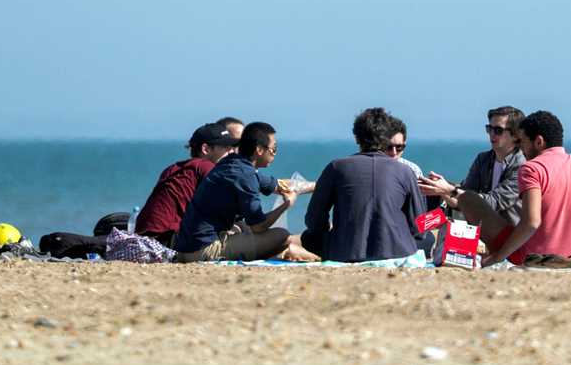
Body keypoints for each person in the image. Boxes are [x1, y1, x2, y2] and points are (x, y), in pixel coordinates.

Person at [481, 110, 571, 270]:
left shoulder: (531, 168)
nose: (520, 148)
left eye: (522, 142)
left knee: (471, 202)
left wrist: (498, 256)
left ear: (539, 142)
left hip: (539, 262)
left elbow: (531, 222)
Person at [301, 107, 430, 263]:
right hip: (396, 252)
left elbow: (313, 219)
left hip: (345, 253)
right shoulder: (406, 171)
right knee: (427, 238)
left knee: (308, 237)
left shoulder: (336, 167)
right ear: (386, 138)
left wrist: (334, 235)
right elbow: (419, 226)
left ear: (356, 138)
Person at [174, 122, 315, 262]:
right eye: (274, 149)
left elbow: (281, 185)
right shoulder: (245, 175)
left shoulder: (234, 164)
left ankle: (312, 247)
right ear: (259, 149)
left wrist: (319, 185)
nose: (274, 154)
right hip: (202, 250)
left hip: (186, 247)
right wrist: (287, 205)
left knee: (244, 227)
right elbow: (258, 226)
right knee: (282, 236)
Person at [418, 105, 526, 226]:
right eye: (489, 128)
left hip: (512, 238)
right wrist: (441, 190)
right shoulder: (483, 159)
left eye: (498, 130)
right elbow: (464, 200)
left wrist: (449, 189)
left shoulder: (523, 166)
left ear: (516, 135)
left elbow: (494, 202)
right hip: (487, 235)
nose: (491, 134)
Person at [135, 122, 240, 246]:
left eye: (232, 148)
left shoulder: (173, 168)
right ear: (205, 149)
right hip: (168, 239)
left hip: (144, 238)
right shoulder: (206, 167)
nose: (231, 152)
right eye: (226, 148)